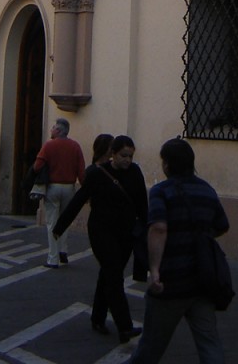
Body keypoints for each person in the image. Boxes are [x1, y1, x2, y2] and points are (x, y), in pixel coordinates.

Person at [128, 138, 229, 364]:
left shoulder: (161, 191)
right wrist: (200, 237)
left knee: (150, 348)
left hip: (171, 280)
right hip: (202, 279)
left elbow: (158, 228)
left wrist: (154, 271)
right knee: (209, 342)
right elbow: (222, 225)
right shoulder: (207, 190)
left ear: (167, 165)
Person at [54, 134, 147, 342]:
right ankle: (125, 326)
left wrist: (146, 228)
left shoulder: (135, 172)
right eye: (124, 155)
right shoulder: (97, 174)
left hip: (126, 233)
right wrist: (61, 225)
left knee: (109, 273)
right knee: (114, 275)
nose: (127, 160)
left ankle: (97, 317)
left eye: (131, 156)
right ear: (112, 154)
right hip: (101, 232)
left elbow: (142, 202)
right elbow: (79, 199)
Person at [33, 117, 85, 268]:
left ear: (58, 131)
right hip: (69, 187)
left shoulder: (49, 146)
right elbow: (81, 171)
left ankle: (52, 258)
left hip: (53, 187)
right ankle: (63, 250)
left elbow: (37, 166)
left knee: (52, 223)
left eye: (53, 127)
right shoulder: (75, 146)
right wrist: (84, 188)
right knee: (65, 220)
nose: (51, 130)